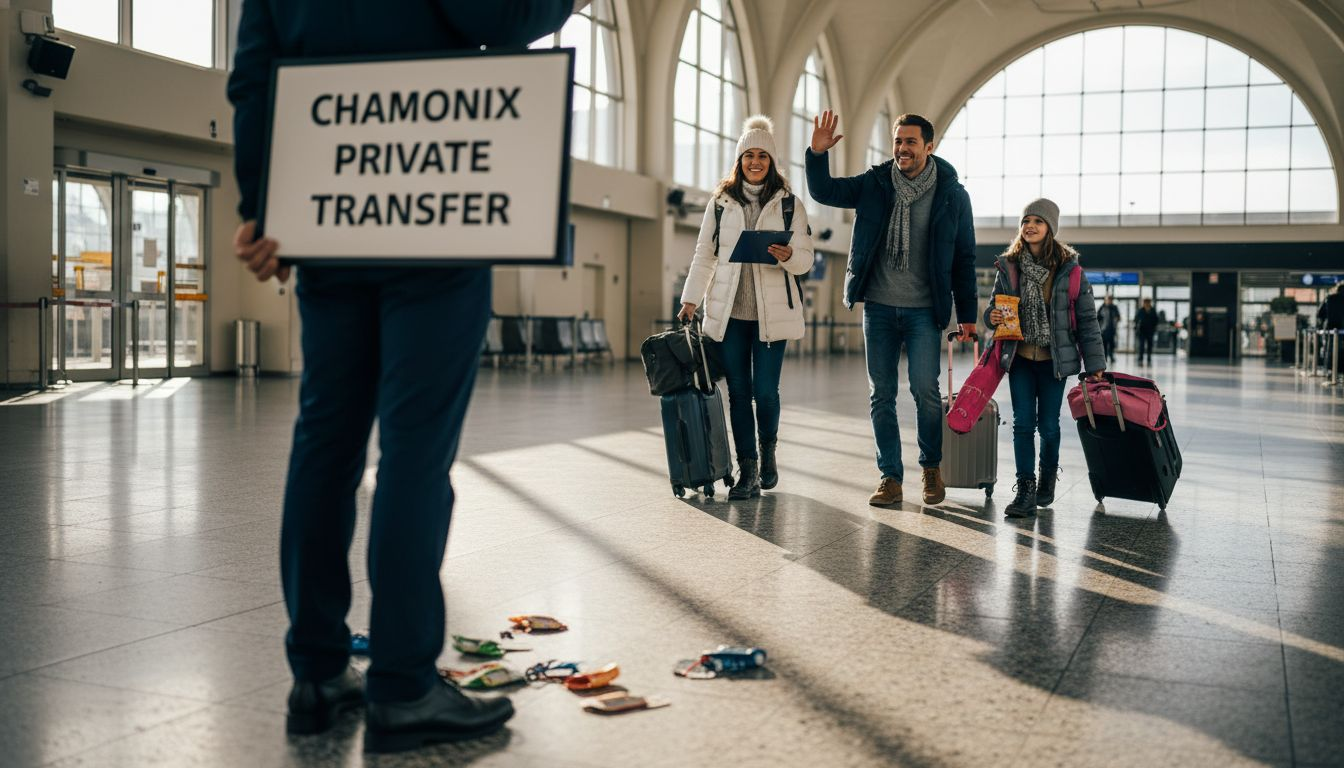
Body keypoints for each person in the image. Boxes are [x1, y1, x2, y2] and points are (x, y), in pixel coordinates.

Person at [227, 0, 574, 754]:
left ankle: (317, 674)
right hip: (435, 213)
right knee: (414, 458)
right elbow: (501, 13)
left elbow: (252, 78)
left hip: (328, 210)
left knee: (325, 445)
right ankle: (403, 686)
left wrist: (264, 208)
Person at [805, 110, 978, 507]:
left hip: (922, 311)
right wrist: (817, 154)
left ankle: (931, 467)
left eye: (911, 142)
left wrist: (967, 316)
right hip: (879, 307)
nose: (902, 148)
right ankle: (890, 477)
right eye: (898, 141)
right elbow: (826, 192)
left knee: (925, 389)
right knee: (880, 394)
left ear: (929, 147)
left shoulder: (952, 194)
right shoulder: (876, 184)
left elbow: (964, 257)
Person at [678, 116, 814, 499]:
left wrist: (789, 255)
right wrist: (690, 299)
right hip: (730, 316)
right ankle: (748, 470)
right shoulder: (721, 203)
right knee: (739, 393)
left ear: (772, 162)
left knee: (766, 393)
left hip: (773, 315)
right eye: (749, 155)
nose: (755, 162)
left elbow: (805, 260)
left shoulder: (789, 205)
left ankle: (768, 453)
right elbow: (705, 253)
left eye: (763, 156)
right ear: (739, 160)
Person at [984, 199, 1107, 518]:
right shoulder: (1009, 265)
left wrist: (1095, 366)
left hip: (1055, 360)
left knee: (1048, 426)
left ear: (1050, 228)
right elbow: (992, 308)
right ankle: (1025, 488)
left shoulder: (1069, 269)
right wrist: (992, 315)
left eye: (1038, 221)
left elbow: (1087, 319)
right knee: (1023, 424)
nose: (1030, 226)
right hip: (1020, 356)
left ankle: (1047, 476)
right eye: (1026, 220)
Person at [1097, 294, 1121, 363]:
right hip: (1103, 330)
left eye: (1110, 299)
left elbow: (1118, 317)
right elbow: (1097, 318)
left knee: (1111, 344)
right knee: (1104, 344)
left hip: (1112, 329)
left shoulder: (1114, 308)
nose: (1109, 301)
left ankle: (1111, 356)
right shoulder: (1102, 307)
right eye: (1108, 299)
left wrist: (1116, 320)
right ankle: (1105, 357)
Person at [1135, 298, 1159, 365]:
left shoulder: (1153, 310)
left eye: (1148, 302)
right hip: (1142, 331)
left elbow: (1156, 320)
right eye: (1145, 302)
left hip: (1150, 331)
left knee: (1150, 345)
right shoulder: (1141, 310)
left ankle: (1149, 357)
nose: (1146, 304)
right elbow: (1136, 319)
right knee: (1141, 345)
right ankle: (1140, 358)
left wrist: (1153, 326)